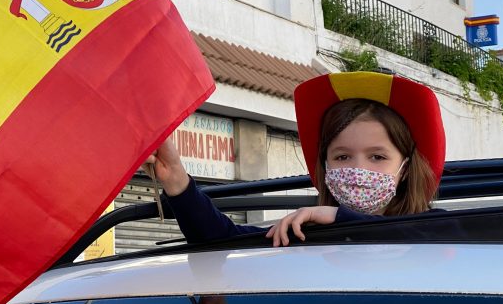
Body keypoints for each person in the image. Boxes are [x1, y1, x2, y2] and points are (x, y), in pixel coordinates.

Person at [145, 71, 446, 246]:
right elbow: (223, 242)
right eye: (342, 156)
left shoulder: (441, 231)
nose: (357, 170)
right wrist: (175, 178)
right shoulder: (306, 235)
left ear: (406, 168)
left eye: (377, 156)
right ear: (325, 165)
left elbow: (438, 234)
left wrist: (338, 218)